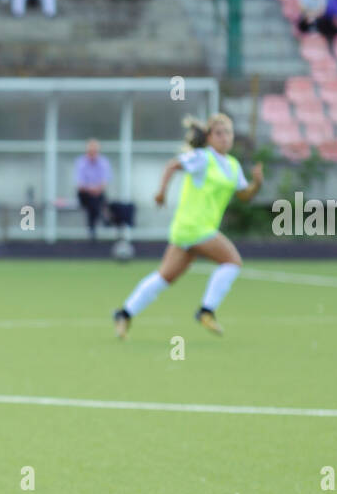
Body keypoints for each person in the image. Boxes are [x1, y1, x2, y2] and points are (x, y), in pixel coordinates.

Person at [112, 114, 262, 339]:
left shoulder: (232, 165)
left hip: (192, 231)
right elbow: (173, 165)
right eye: (219, 133)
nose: (224, 138)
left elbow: (244, 195)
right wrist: (162, 192)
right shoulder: (203, 158)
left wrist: (257, 184)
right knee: (232, 262)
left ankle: (124, 313)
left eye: (228, 133)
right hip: (194, 227)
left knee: (164, 278)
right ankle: (206, 311)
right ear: (209, 137)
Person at [73, 139, 112, 240]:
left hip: (98, 194)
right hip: (84, 194)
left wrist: (96, 189)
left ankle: (92, 229)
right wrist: (91, 189)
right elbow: (80, 185)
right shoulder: (81, 163)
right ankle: (102, 216)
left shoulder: (103, 163)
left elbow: (104, 183)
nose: (93, 154)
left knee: (95, 201)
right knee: (94, 201)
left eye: (95, 151)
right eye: (91, 151)